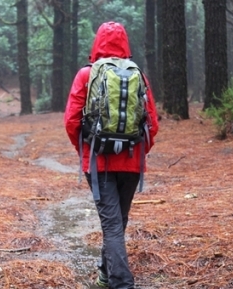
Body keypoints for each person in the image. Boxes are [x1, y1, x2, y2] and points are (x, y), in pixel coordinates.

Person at [64, 22, 159, 288]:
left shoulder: (86, 74)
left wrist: (85, 152)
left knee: (112, 225)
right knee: (118, 222)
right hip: (131, 161)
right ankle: (106, 274)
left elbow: (71, 121)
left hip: (99, 162)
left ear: (96, 43)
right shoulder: (137, 74)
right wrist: (137, 151)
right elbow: (152, 124)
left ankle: (121, 283)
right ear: (126, 43)